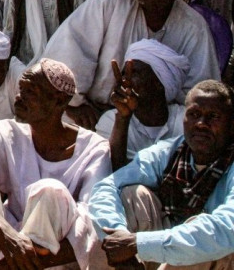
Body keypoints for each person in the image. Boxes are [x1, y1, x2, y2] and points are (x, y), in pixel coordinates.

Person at [0, 59, 112, 270]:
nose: (19, 98)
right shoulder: (5, 132)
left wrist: (9, 264)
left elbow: (91, 225)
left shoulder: (94, 149)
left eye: (31, 92)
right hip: (6, 243)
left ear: (59, 102)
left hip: (54, 259)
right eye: (20, 89)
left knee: (51, 191)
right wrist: (5, 232)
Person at [41, 0, 220, 129]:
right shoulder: (112, 0)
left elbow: (199, 92)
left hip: (154, 123)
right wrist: (73, 104)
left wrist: (150, 116)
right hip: (89, 113)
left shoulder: (194, 27)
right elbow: (69, 49)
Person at [90, 80, 234, 269]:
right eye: (194, 114)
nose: (201, 124)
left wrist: (138, 243)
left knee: (202, 227)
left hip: (214, 258)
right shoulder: (169, 151)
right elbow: (107, 187)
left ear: (232, 124)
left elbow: (226, 230)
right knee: (132, 194)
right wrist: (119, 236)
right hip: (158, 253)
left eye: (213, 117)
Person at [96, 39, 190, 170]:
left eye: (134, 73)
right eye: (123, 74)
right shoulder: (110, 121)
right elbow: (115, 174)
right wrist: (123, 118)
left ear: (159, 83)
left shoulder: (187, 120)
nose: (125, 81)